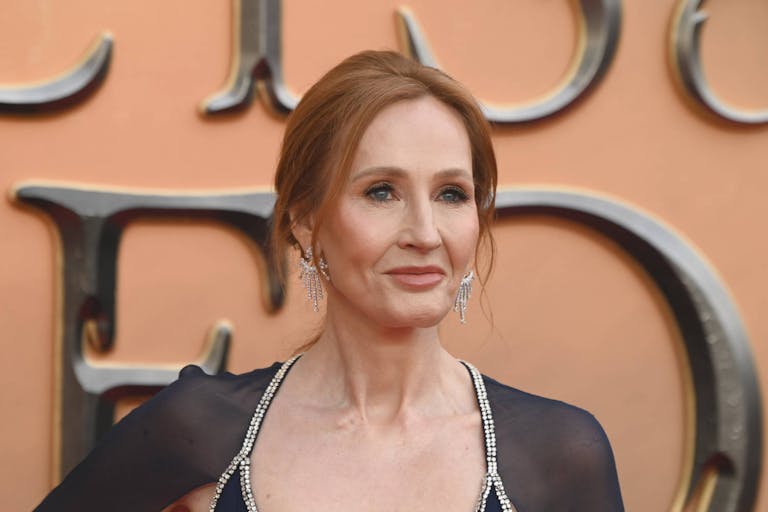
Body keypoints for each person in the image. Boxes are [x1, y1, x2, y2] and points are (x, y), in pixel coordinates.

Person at [36, 50, 623, 512]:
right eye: (381, 192)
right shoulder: (199, 429)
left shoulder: (558, 452)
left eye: (451, 194)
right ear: (306, 221)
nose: (425, 233)